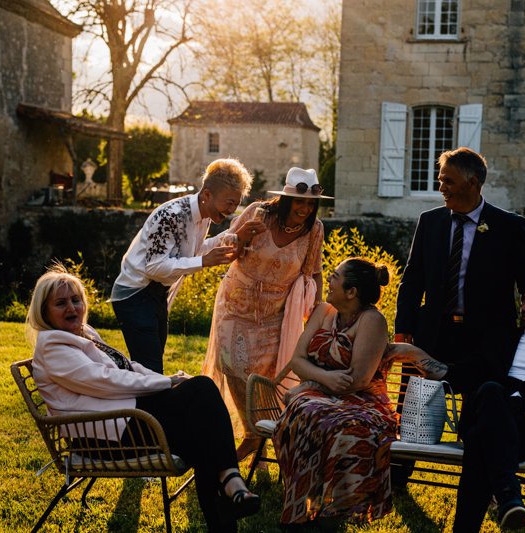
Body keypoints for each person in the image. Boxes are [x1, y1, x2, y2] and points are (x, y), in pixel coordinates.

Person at [26, 265, 260, 532]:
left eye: (76, 300)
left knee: (200, 432)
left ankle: (227, 503)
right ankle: (232, 484)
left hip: (126, 419)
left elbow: (128, 367)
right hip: (102, 434)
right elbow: (104, 381)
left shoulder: (84, 333)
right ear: (44, 312)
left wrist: (167, 378)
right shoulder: (52, 346)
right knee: (202, 393)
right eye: (61, 303)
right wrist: (166, 383)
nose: (72, 307)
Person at [397, 276, 525, 531]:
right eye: (524, 299)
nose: (524, 307)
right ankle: (508, 496)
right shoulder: (502, 340)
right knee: (491, 395)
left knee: (482, 439)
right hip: (490, 416)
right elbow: (460, 374)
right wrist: (412, 354)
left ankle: (497, 503)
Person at [201, 167, 330, 460]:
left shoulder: (315, 229)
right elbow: (226, 249)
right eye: (299, 201)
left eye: (310, 203)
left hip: (276, 314)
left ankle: (261, 436)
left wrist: (316, 315)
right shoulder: (259, 213)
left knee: (264, 377)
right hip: (235, 304)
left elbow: (314, 273)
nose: (305, 208)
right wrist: (243, 236)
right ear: (286, 199)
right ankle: (251, 432)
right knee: (232, 365)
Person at [394, 147, 525, 390]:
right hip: (432, 334)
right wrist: (404, 329)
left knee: (479, 412)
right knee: (415, 415)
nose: (441, 188)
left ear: (472, 183)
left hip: (486, 339)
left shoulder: (509, 227)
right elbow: (412, 280)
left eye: (448, 181)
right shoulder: (430, 222)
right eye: (440, 180)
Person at [272, 258, 397, 527]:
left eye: (335, 276)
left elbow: (357, 380)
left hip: (364, 401)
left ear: (351, 292)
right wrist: (322, 378)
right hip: (321, 392)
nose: (328, 280)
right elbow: (297, 361)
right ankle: (303, 505)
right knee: (305, 411)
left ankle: (335, 509)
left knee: (334, 423)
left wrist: (313, 381)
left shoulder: (372, 321)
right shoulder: (323, 311)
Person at [111, 158, 260, 374]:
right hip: (134, 295)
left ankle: (145, 406)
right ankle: (139, 407)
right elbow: (153, 266)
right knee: (149, 370)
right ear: (207, 194)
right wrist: (203, 262)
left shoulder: (205, 215)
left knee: (150, 368)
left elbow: (195, 250)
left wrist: (235, 236)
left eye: (236, 204)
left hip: (156, 294)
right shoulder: (171, 215)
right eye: (229, 203)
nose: (231, 210)